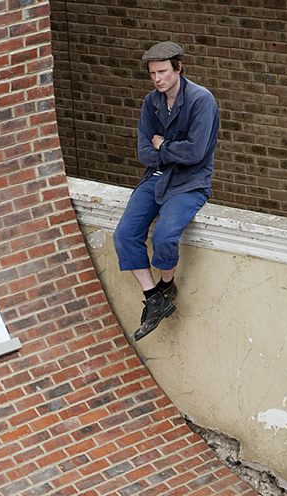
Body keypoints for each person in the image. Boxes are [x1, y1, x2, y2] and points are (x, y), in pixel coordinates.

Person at [114, 41, 219, 341]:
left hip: (190, 183)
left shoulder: (201, 101)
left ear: (178, 68)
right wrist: (167, 151)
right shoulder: (151, 102)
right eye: (152, 74)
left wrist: (163, 145)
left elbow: (196, 153)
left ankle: (166, 284)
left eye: (162, 72)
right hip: (156, 178)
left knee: (164, 236)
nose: (157, 79)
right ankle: (154, 297)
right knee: (124, 234)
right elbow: (144, 152)